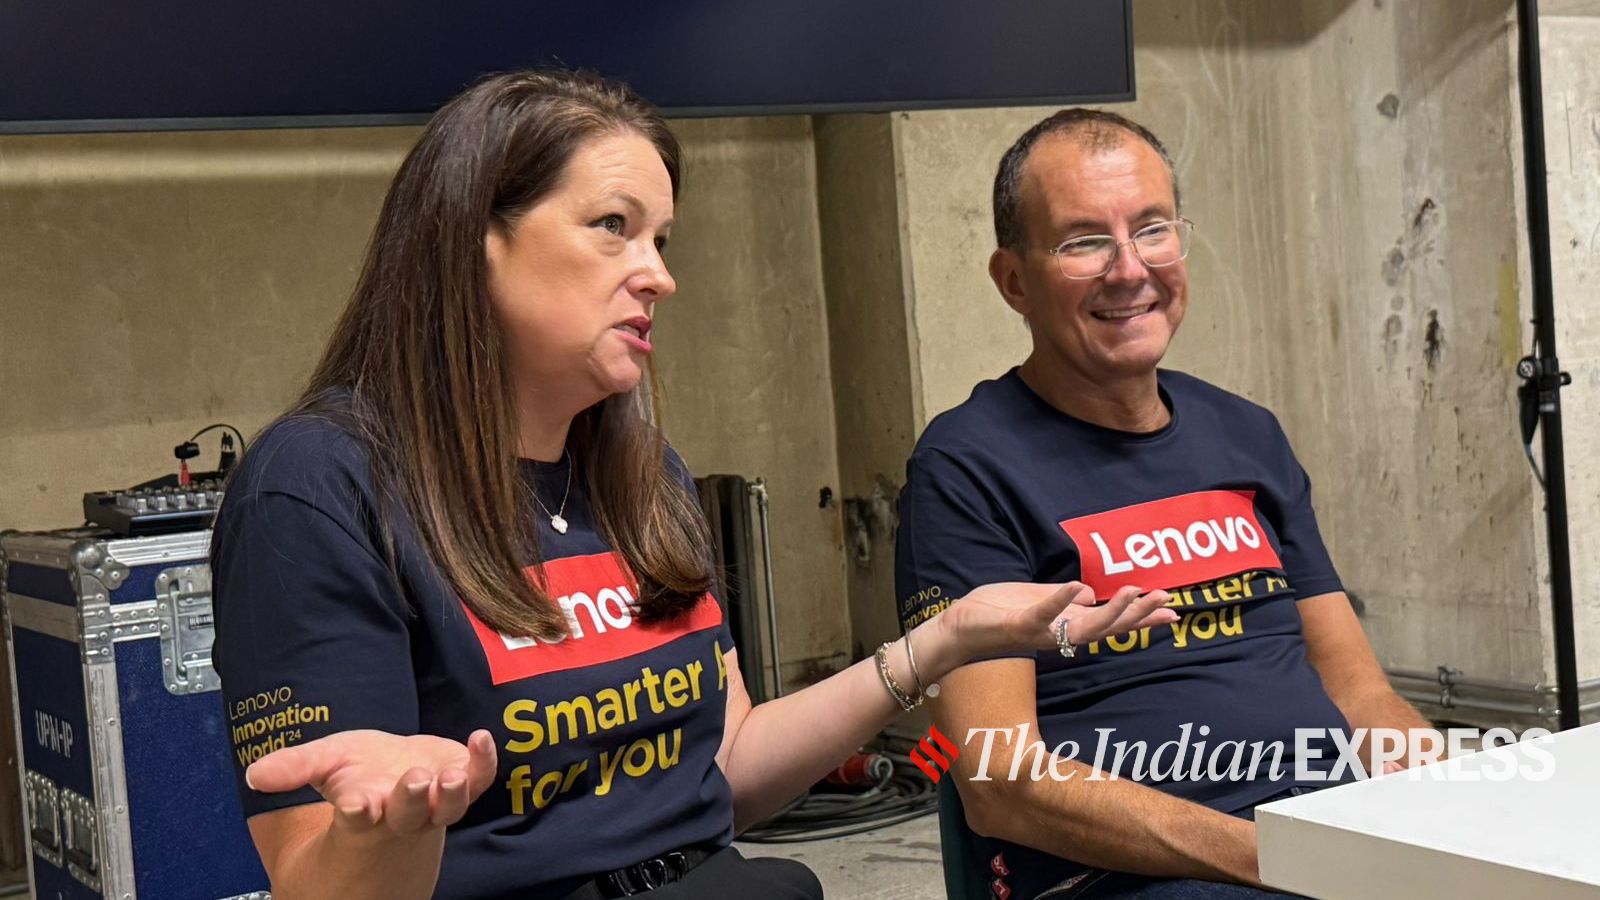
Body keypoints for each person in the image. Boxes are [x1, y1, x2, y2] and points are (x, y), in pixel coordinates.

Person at [211, 72, 1177, 900]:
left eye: (661, 240)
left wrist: (942, 643)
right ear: (475, 237)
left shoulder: (640, 475)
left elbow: (728, 770)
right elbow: (317, 882)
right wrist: (396, 824)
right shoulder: (318, 487)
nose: (658, 276)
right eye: (614, 229)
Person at [893, 108, 1433, 900]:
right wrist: (1273, 858)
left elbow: (1360, 690)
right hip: (1133, 875)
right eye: (1083, 241)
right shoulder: (967, 467)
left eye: (1152, 228)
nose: (1128, 268)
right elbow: (1000, 778)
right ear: (1014, 281)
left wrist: (1445, 815)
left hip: (1320, 835)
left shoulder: (1247, 436)